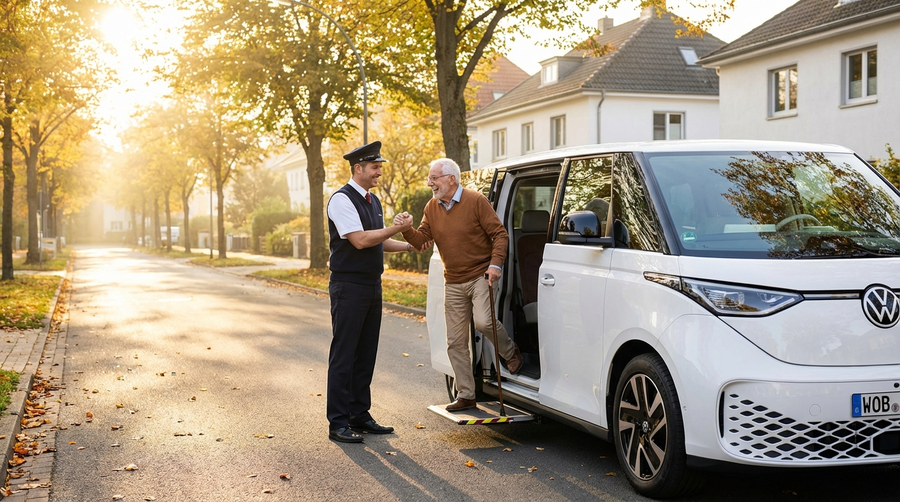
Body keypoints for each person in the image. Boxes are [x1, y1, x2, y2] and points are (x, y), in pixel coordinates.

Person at [397, 158, 522, 412]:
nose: (429, 182)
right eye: (430, 178)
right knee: (455, 341)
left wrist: (495, 264)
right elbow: (422, 242)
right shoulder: (432, 207)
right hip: (453, 280)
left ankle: (510, 352)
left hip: (480, 275)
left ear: (451, 179)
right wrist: (407, 229)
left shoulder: (475, 201)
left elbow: (500, 234)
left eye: (434, 178)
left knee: (484, 322)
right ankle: (466, 394)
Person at [326, 140, 426, 443]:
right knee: (345, 354)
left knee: (365, 353)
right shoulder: (341, 200)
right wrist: (397, 228)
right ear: (358, 169)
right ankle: (338, 423)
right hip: (349, 286)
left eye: (379, 167)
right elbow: (360, 240)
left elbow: (379, 242)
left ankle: (359, 413)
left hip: (371, 284)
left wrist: (410, 244)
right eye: (374, 167)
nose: (379, 172)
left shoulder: (373, 200)